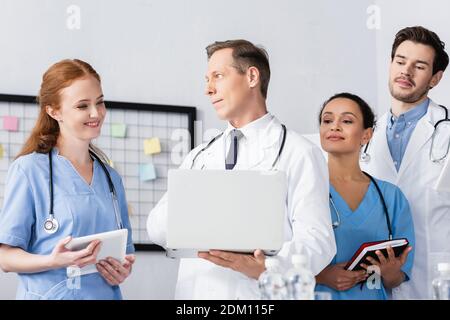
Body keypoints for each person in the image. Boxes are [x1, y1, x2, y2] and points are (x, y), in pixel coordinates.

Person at [147, 39, 336, 299]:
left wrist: (265, 267)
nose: (209, 89)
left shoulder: (299, 152)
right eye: (206, 79)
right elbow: (156, 226)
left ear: (251, 76)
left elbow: (318, 242)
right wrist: (202, 213)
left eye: (218, 76)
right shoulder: (200, 156)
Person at [0, 59, 135, 300]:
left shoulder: (111, 178)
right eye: (82, 106)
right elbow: (6, 258)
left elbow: (123, 255)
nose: (96, 113)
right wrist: (52, 261)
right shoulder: (29, 171)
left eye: (100, 102)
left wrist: (121, 272)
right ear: (54, 111)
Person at [360, 26, 450, 299]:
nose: (406, 72)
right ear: (390, 64)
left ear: (435, 78)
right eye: (400, 62)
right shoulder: (365, 135)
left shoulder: (445, 133)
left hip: (434, 279)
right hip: (377, 283)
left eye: (419, 66)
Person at [314, 92, 415, 299]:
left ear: (366, 135)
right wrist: (321, 276)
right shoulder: (304, 189)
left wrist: (390, 272)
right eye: (327, 120)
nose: (334, 126)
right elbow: (273, 262)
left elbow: (396, 279)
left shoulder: (391, 197)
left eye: (347, 120)